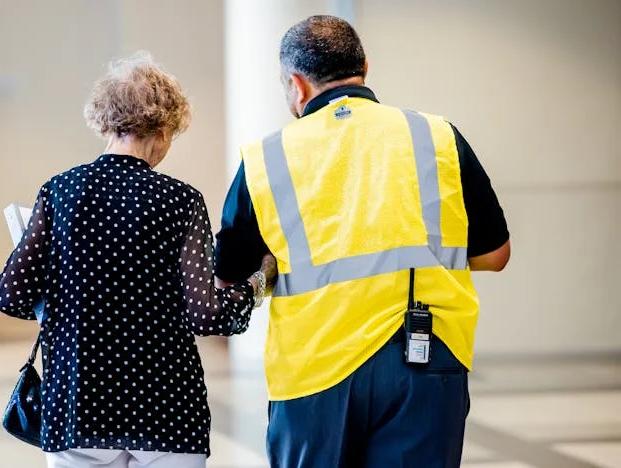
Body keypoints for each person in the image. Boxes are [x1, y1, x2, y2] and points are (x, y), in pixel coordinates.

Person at [215, 15, 510, 468]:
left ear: (296, 85)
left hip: (315, 369)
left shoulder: (265, 159)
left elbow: (228, 272)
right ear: (365, 67)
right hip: (427, 356)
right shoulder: (437, 136)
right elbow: (496, 254)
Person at [0, 52, 277, 468]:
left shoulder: (59, 193)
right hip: (167, 413)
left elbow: (10, 296)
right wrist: (258, 284)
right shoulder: (180, 200)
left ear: (106, 121)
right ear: (163, 130)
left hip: (77, 405)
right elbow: (206, 316)